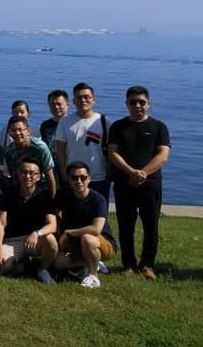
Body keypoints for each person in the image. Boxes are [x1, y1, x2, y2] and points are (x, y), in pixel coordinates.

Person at [108, 86, 170, 279]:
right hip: (124, 183)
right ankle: (128, 264)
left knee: (151, 226)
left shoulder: (159, 127)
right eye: (133, 102)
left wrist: (142, 174)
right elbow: (112, 152)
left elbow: (163, 155)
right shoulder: (118, 126)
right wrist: (131, 172)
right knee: (126, 225)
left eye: (141, 102)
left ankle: (147, 265)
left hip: (150, 185)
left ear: (148, 104)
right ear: (127, 104)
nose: (137, 105)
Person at [53, 161, 117, 288]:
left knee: (87, 238)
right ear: (69, 179)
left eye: (83, 177)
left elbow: (96, 229)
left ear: (89, 179)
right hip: (75, 243)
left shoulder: (98, 199)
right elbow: (55, 213)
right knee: (57, 263)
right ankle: (92, 262)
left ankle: (94, 276)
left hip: (102, 242)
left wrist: (68, 232)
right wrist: (59, 232)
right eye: (74, 178)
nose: (79, 181)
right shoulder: (64, 195)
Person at [0, 158, 58, 283]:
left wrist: (37, 233)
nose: (27, 176)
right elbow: (0, 223)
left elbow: (52, 225)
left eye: (32, 173)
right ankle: (26, 266)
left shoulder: (45, 195)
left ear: (38, 177)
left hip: (34, 240)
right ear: (18, 174)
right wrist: (0, 248)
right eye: (24, 172)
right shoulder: (9, 193)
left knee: (51, 240)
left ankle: (43, 270)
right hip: (12, 240)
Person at [54, 83, 111, 204]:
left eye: (87, 97)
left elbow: (111, 150)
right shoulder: (65, 121)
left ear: (93, 99)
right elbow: (60, 151)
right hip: (74, 178)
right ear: (73, 101)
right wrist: (65, 175)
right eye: (79, 97)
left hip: (99, 177)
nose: (83, 100)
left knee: (99, 212)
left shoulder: (104, 122)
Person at [3, 116, 57, 197]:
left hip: (42, 187)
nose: (17, 133)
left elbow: (49, 174)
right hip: (23, 188)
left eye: (20, 130)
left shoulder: (40, 147)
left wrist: (52, 198)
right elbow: (14, 177)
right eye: (13, 130)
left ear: (28, 131)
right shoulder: (9, 151)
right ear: (9, 133)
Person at [39, 89, 69, 165]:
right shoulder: (45, 125)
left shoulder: (73, 124)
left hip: (69, 165)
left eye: (59, 104)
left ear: (67, 105)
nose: (56, 107)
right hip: (51, 166)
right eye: (52, 104)